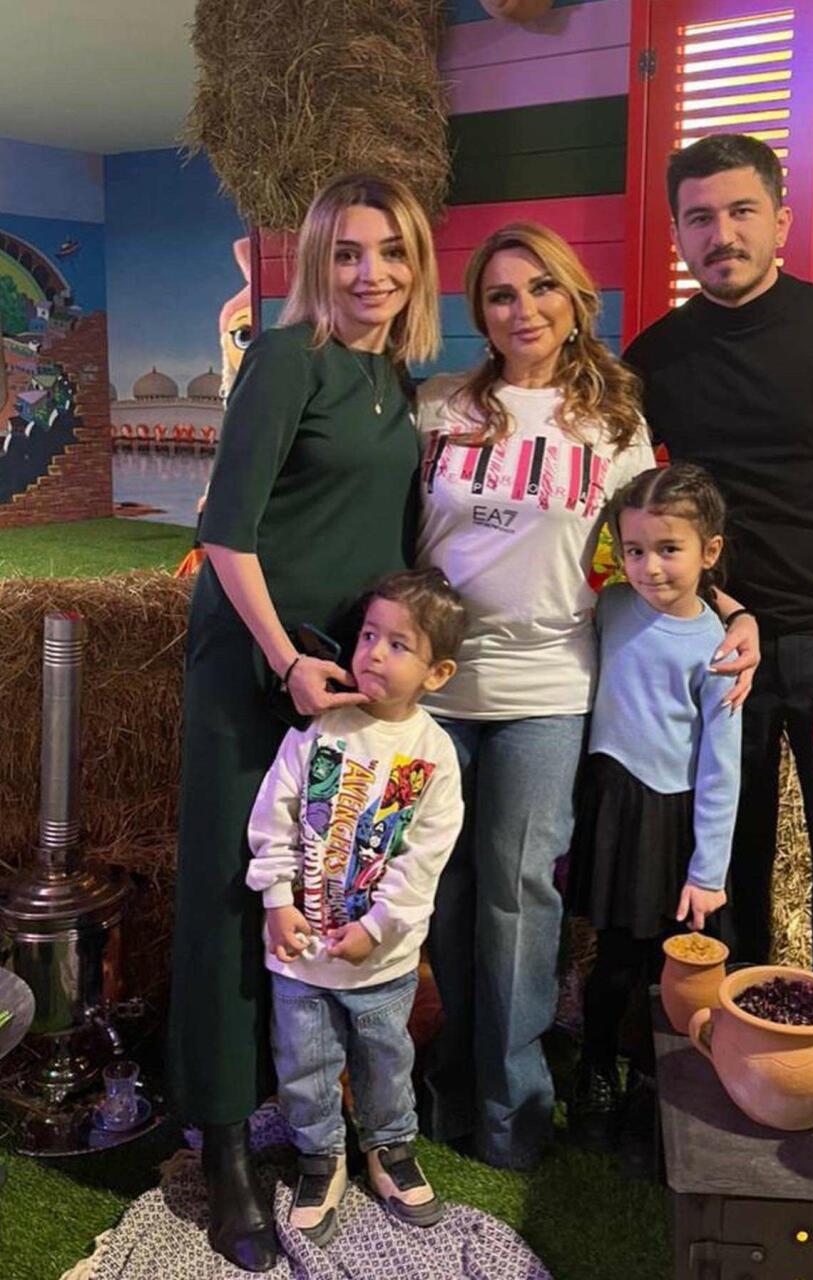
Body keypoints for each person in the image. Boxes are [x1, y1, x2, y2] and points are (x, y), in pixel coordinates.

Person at [414, 221, 760, 1170]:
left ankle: (513, 1111)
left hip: (546, 687)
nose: (521, 310)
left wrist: (733, 610)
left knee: (520, 894)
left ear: (574, 302)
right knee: (445, 890)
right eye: (499, 294)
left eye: (541, 289)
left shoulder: (612, 425)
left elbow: (658, 544)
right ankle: (447, 1086)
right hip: (436, 689)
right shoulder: (438, 406)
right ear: (479, 312)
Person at [167, 172, 441, 1272]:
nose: (371, 273)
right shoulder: (286, 359)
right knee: (234, 893)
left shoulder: (394, 377)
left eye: (393, 252)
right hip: (258, 666)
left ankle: (311, 1109)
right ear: (318, 261)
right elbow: (226, 534)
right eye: (348, 252)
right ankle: (225, 1147)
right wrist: (284, 658)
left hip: (347, 676)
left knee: (321, 888)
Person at [624, 133, 813, 1041]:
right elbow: (629, 509)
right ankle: (739, 1054)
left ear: (781, 221)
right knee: (727, 864)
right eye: (698, 218)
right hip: (719, 649)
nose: (721, 233)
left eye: (741, 210)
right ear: (678, 234)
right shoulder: (655, 357)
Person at [246, 569, 466, 1244]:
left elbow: (423, 862)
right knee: (304, 1065)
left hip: (383, 963)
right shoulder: (319, 727)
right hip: (300, 954)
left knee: (384, 1060)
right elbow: (275, 815)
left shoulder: (432, 754)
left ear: (437, 673)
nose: (373, 653)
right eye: (369, 635)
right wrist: (276, 901)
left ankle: (389, 1147)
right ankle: (320, 1156)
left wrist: (377, 928)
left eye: (399, 645)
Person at [566, 464, 741, 1165]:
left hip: (669, 820)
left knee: (665, 967)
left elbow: (721, 767)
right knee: (610, 957)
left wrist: (708, 870)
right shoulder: (608, 607)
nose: (649, 567)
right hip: (609, 804)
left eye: (669, 549)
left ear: (709, 551)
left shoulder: (720, 649)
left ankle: (649, 1083)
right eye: (634, 550)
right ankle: (594, 1069)